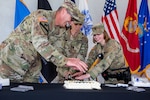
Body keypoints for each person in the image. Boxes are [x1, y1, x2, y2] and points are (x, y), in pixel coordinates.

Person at [0, 1, 88, 83]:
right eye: (71, 18)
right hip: (13, 60)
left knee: (31, 92)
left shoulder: (61, 29)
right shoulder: (42, 17)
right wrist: (66, 61)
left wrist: (70, 70)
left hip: (32, 63)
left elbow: (59, 51)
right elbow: (40, 43)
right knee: (9, 92)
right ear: (64, 11)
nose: (71, 22)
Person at [51, 13, 88, 83]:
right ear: (71, 23)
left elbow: (81, 57)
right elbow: (58, 55)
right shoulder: (61, 36)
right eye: (76, 24)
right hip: (62, 73)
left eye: (80, 25)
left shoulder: (83, 39)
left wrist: (71, 72)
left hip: (76, 74)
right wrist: (64, 72)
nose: (78, 27)